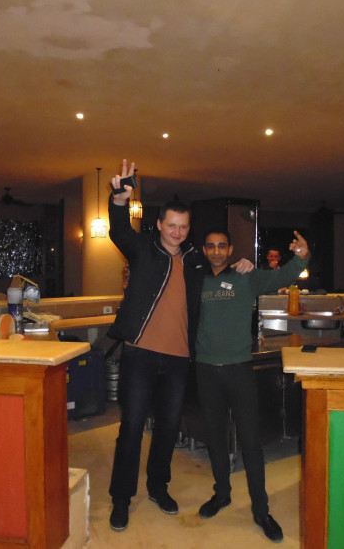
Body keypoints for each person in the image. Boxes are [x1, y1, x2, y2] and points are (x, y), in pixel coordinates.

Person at [106, 159, 253, 532]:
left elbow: (221, 268)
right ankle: (121, 498)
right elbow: (119, 230)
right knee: (132, 426)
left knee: (168, 427)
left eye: (183, 226)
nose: (177, 232)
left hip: (177, 360)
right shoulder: (142, 249)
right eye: (171, 225)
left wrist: (243, 266)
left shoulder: (196, 261)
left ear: (189, 229)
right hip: (140, 353)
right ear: (159, 225)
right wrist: (120, 200)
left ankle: (158, 487)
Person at [195, 228, 310, 542]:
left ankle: (261, 511)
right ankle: (222, 494)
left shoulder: (247, 277)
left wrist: (301, 258)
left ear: (230, 249)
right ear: (204, 250)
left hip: (239, 370)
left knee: (250, 442)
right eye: (211, 246)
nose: (216, 251)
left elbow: (281, 276)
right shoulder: (196, 280)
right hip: (206, 370)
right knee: (216, 438)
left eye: (222, 246)